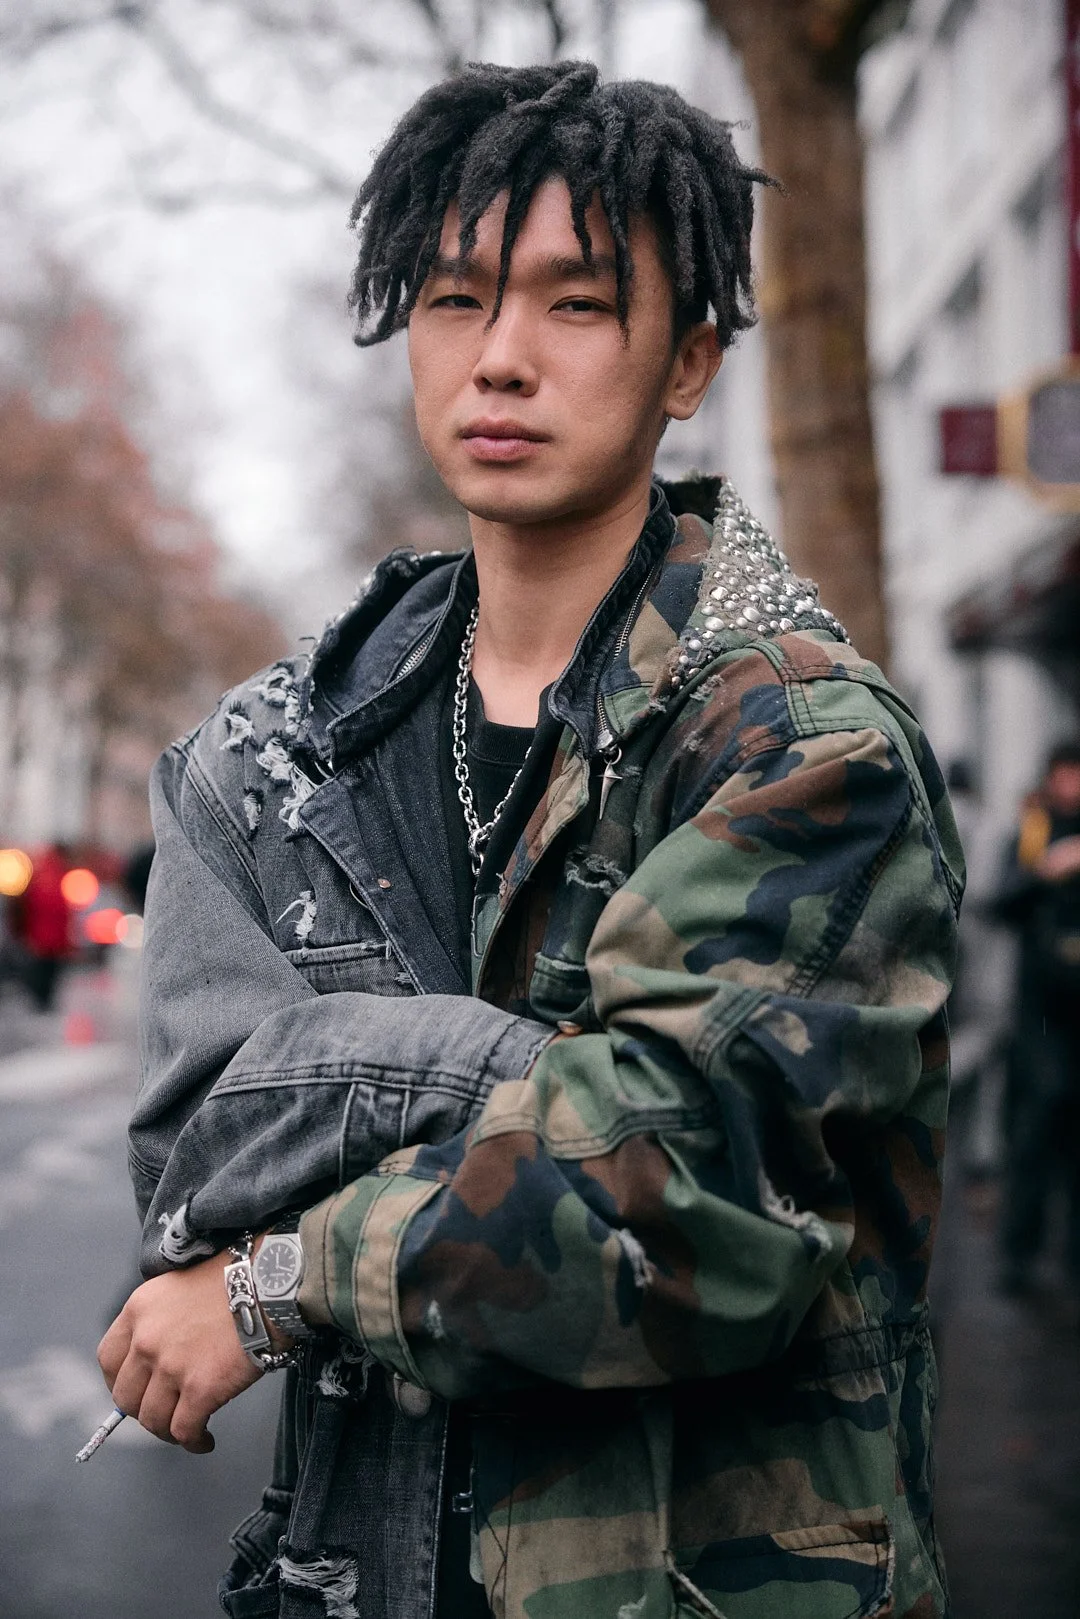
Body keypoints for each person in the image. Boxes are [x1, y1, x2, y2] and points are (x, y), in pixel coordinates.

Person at [97, 62, 961, 1619]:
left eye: (577, 304)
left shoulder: (803, 744)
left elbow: (687, 1197)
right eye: (452, 299)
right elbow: (195, 1165)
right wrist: (524, 1081)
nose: (501, 358)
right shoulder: (269, 760)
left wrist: (289, 1279)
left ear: (687, 357)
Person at [993, 741, 1080, 1297]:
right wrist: (1049, 870)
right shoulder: (1032, 831)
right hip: (1042, 1015)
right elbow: (1001, 900)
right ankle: (1019, 1256)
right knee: (1036, 1128)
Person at [9, 842, 73, 1011]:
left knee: (42, 973)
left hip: (39, 937)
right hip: (52, 938)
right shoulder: (59, 878)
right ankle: (44, 1003)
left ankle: (41, 1003)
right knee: (49, 974)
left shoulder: (36, 877)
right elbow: (64, 913)